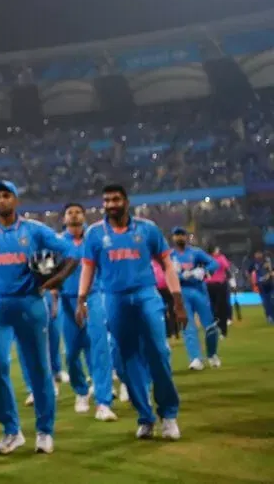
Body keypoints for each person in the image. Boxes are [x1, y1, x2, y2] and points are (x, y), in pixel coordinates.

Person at [0, 180, 76, 456]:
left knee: (39, 369)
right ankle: (11, 431)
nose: (0, 200)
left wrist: (56, 280)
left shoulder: (35, 230)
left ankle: (44, 431)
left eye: (6, 195)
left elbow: (73, 253)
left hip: (30, 305)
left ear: (15, 200)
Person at [77, 184, 185, 440]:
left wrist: (177, 301)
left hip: (146, 294)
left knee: (158, 354)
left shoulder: (147, 229)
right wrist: (81, 299)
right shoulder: (94, 233)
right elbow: (88, 269)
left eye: (115, 199)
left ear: (126, 201)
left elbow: (167, 264)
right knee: (125, 361)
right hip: (113, 299)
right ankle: (145, 417)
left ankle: (169, 415)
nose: (111, 204)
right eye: (106, 201)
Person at [57, 203, 117, 421]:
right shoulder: (57, 242)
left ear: (84, 216)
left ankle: (103, 402)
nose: (74, 215)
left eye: (78, 212)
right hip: (67, 300)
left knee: (99, 347)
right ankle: (81, 391)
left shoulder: (95, 238)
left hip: (94, 295)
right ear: (64, 219)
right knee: (71, 352)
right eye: (70, 212)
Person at [168, 227, 220, 370]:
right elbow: (164, 273)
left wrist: (204, 271)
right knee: (188, 326)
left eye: (182, 235)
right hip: (182, 292)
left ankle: (212, 354)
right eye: (177, 235)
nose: (179, 238)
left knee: (210, 326)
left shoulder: (196, 252)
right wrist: (180, 276)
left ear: (186, 237)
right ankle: (195, 358)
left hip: (199, 291)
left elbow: (215, 263)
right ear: (173, 238)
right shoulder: (170, 255)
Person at [205, 245, 233, 337]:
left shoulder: (220, 258)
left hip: (219, 284)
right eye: (216, 249)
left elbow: (226, 267)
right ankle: (216, 326)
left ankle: (223, 330)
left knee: (221, 307)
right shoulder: (207, 258)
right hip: (209, 285)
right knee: (212, 307)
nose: (218, 251)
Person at [250, 250, 274, 324]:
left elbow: (272, 271)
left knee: (271, 301)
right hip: (261, 285)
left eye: (258, 254)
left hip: (270, 284)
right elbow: (248, 271)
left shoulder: (268, 261)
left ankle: (271, 316)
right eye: (256, 254)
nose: (257, 255)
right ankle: (269, 316)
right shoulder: (254, 262)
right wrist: (253, 282)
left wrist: (270, 273)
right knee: (265, 302)